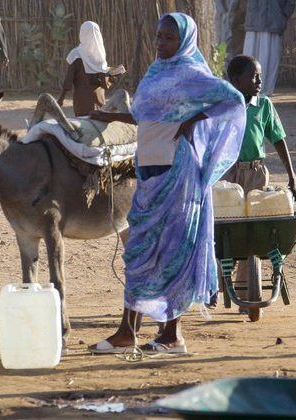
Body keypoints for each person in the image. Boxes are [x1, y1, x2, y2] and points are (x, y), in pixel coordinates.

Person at [87, 13, 246, 354]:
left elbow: (233, 99)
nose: (161, 43)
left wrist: (194, 118)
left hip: (178, 174)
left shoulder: (192, 74)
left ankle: (171, 336)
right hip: (149, 173)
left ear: (184, 40)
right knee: (139, 252)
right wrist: (110, 116)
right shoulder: (155, 72)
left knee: (171, 254)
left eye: (168, 38)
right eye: (159, 36)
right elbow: (147, 115)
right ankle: (128, 333)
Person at [224, 55, 296, 302]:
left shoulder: (264, 105)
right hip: (228, 174)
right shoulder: (224, 105)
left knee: (253, 232)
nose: (259, 81)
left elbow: (278, 139)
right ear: (235, 80)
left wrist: (292, 176)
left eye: (260, 76)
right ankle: (220, 284)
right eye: (253, 76)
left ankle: (246, 291)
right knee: (226, 229)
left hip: (256, 173)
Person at [57, 21, 111, 117]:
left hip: (82, 102)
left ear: (82, 34)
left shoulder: (76, 55)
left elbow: (68, 81)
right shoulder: (100, 56)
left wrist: (61, 100)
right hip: (99, 100)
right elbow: (104, 83)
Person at [243, 0, 296, 97]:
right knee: (249, 56)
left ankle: (264, 91)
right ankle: (247, 88)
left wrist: (282, 16)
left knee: (269, 58)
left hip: (273, 21)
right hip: (254, 19)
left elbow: (290, 3)